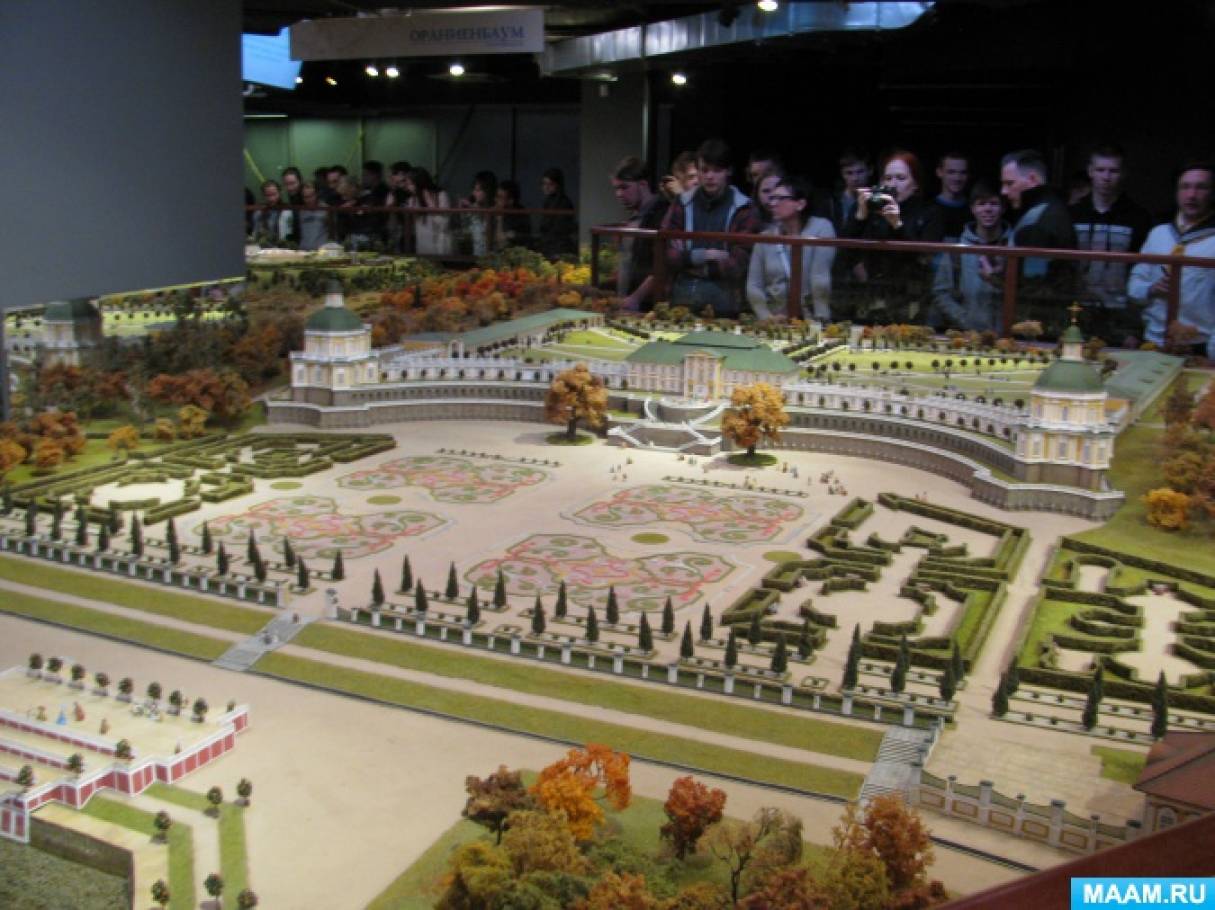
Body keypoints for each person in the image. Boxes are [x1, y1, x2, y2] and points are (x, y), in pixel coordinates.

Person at [841, 149, 942, 323]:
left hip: (912, 299)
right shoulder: (869, 209)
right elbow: (844, 254)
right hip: (870, 297)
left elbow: (923, 258)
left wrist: (897, 225)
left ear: (915, 184)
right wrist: (860, 217)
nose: (893, 184)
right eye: (888, 178)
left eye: (901, 178)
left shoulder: (930, 212)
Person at [661, 138, 760, 317]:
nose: (709, 176)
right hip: (682, 298)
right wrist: (703, 255)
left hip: (727, 302)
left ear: (728, 171)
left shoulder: (745, 208)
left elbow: (739, 263)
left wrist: (691, 264)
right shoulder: (681, 203)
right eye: (704, 170)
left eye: (717, 170)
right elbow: (667, 253)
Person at [1128, 161, 1215, 359]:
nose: (1192, 195)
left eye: (1201, 187)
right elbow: (1134, 285)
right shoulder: (1158, 234)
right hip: (1153, 341)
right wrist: (1151, 289)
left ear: (1212, 193)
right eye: (1185, 187)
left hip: (1198, 346)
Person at [1069, 144, 1153, 343]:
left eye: (1113, 171)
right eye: (1100, 170)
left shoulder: (1138, 217)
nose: (1106, 177)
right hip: (1077, 308)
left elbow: (1142, 271)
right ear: (1090, 171)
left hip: (1122, 313)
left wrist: (1133, 325)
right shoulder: (1072, 214)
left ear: (1123, 174)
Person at [1000, 149, 1077, 332]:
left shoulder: (1037, 219)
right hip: (1047, 320)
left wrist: (996, 279)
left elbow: (1034, 286)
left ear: (1032, 179)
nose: (1004, 191)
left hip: (1037, 326)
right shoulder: (1049, 209)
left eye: (1010, 183)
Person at [746, 175, 836, 321]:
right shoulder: (765, 238)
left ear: (800, 204)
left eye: (780, 198)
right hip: (775, 319)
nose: (772, 203)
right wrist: (766, 317)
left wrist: (820, 319)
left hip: (811, 319)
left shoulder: (822, 229)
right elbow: (754, 285)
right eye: (772, 198)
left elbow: (820, 278)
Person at [930, 183, 1011, 332]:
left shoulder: (1014, 245)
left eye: (994, 203)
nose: (988, 209)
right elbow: (941, 293)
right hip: (968, 335)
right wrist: (966, 320)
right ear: (972, 209)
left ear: (1003, 208)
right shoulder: (957, 249)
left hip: (1007, 334)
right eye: (981, 204)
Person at [609, 156, 669, 312]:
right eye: (616, 188)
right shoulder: (635, 216)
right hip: (629, 304)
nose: (619, 194)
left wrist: (636, 297)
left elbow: (663, 265)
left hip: (648, 308)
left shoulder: (661, 214)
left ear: (642, 184)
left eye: (624, 187)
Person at [404, 167, 452, 256]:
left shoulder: (441, 195)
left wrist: (429, 201)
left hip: (440, 247)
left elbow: (443, 224)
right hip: (422, 246)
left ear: (419, 184)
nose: (408, 188)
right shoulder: (413, 199)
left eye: (410, 184)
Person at [929, 152, 970, 243]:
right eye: (951, 172)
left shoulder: (975, 210)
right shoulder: (927, 210)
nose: (957, 178)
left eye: (963, 173)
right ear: (939, 172)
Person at [537, 168, 578, 259]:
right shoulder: (548, 201)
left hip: (558, 249)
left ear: (558, 185)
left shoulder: (564, 203)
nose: (546, 187)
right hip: (547, 247)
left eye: (550, 184)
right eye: (544, 183)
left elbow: (560, 230)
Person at [458, 170, 498, 257]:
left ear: (488, 191)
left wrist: (472, 208)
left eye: (478, 190)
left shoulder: (496, 208)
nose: (474, 193)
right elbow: (464, 230)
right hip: (473, 256)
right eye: (474, 189)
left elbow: (491, 234)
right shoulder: (471, 208)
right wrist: (462, 212)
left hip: (490, 257)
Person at [250, 179, 293, 245]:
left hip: (283, 247)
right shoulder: (258, 213)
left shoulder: (288, 211)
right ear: (263, 195)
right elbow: (255, 233)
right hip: (263, 248)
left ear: (280, 193)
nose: (271, 199)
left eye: (274, 194)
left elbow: (291, 232)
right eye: (268, 195)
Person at [296, 181, 329, 251]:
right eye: (305, 197)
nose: (309, 200)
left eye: (311, 196)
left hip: (322, 251)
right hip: (303, 250)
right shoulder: (301, 211)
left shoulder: (326, 209)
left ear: (317, 194)